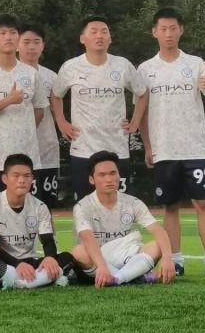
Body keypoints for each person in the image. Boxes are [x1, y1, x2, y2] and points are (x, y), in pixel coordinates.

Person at [138, 7, 205, 278]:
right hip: (164, 149)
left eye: (173, 28)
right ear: (154, 32)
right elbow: (142, 113)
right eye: (163, 29)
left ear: (181, 30)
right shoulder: (145, 70)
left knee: (203, 203)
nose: (168, 34)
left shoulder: (196, 64)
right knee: (171, 206)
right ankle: (176, 260)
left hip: (194, 147)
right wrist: (148, 146)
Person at [50, 16, 148, 201]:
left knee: (120, 205)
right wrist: (61, 122)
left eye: (104, 32)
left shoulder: (122, 65)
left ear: (110, 38)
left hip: (117, 148)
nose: (99, 36)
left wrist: (135, 121)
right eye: (93, 32)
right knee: (84, 206)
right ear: (83, 38)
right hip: (83, 148)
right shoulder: (71, 67)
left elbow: (142, 93)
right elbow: (56, 96)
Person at [0, 14, 47, 200]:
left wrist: (24, 130)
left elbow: (39, 110)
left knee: (30, 212)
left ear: (18, 38)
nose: (8, 37)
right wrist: (8, 100)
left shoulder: (31, 73)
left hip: (27, 158)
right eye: (2, 33)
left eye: (13, 32)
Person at [70, 151, 175, 288]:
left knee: (157, 245)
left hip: (126, 255)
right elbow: (87, 238)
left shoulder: (133, 202)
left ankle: (117, 279)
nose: (109, 179)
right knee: (79, 251)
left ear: (119, 175)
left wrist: (167, 257)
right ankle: (132, 276)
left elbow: (158, 230)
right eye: (102, 175)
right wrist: (101, 265)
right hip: (98, 257)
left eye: (113, 173)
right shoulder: (83, 206)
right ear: (91, 179)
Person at [0, 154, 75, 290]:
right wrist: (18, 264)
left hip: (30, 260)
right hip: (5, 261)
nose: (22, 180)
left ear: (32, 179)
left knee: (67, 257)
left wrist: (50, 258)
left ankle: (19, 282)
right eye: (16, 176)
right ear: (5, 178)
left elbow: (47, 240)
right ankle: (43, 279)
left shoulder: (40, 206)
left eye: (27, 176)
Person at [16, 23, 61, 209]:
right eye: (26, 42)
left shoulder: (52, 77)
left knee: (47, 206)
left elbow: (58, 112)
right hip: (20, 149)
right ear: (17, 45)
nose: (31, 47)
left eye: (36, 42)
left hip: (47, 148)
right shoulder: (10, 74)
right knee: (22, 205)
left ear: (43, 46)